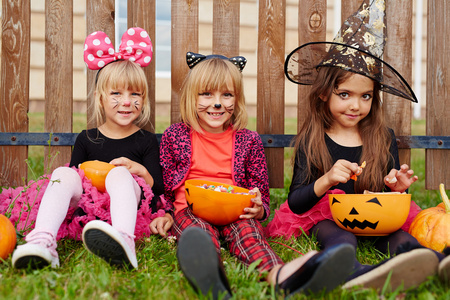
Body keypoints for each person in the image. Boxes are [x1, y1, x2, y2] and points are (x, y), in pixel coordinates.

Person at [265, 0, 450, 290]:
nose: (355, 105)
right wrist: (326, 180)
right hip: (329, 217)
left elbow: (387, 188)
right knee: (342, 239)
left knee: (403, 240)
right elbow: (296, 202)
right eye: (345, 94)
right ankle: (354, 271)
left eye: (365, 96)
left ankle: (435, 264)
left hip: (376, 216)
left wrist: (397, 188)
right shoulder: (312, 140)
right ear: (325, 93)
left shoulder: (382, 136)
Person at [159, 51, 355, 299]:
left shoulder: (248, 140)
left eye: (226, 95)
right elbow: (165, 182)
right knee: (198, 235)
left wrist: (258, 209)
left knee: (250, 236)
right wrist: (165, 212)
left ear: (237, 99)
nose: (217, 103)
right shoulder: (175, 136)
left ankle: (279, 275)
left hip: (236, 209)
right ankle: (211, 277)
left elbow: (258, 189)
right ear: (191, 97)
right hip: (191, 208)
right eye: (206, 94)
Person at [9, 27, 173, 270]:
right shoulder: (87, 138)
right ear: (100, 98)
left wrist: (139, 170)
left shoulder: (146, 140)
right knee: (64, 173)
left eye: (135, 94)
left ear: (144, 98)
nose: (126, 101)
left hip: (125, 212)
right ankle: (43, 240)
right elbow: (75, 182)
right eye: (116, 93)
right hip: (86, 210)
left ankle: (123, 240)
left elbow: (158, 192)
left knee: (118, 173)